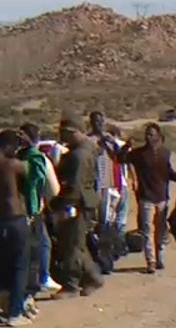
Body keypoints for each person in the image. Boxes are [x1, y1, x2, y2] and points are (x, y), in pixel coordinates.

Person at [120, 123, 176, 273]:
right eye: (147, 134)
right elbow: (121, 159)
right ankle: (151, 261)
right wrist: (126, 146)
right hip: (146, 197)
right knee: (147, 230)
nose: (148, 137)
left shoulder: (165, 154)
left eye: (151, 134)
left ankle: (160, 258)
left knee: (161, 230)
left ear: (158, 135)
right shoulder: (138, 154)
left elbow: (168, 173)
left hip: (162, 197)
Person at [0, 129, 33, 327]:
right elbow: (32, 169)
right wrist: (31, 145)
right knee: (19, 266)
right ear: (9, 145)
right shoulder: (12, 164)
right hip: (14, 217)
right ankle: (15, 312)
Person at [49, 116, 104, 297]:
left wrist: (65, 207)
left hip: (77, 203)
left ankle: (71, 284)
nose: (62, 136)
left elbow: (75, 185)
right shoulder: (81, 151)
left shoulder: (80, 155)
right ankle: (92, 277)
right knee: (77, 244)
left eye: (65, 133)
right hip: (82, 201)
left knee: (72, 244)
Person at [19, 123, 62, 295]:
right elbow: (53, 189)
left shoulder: (16, 156)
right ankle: (42, 277)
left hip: (14, 207)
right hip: (33, 207)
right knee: (43, 244)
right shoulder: (40, 158)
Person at [88, 111, 123, 225]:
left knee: (107, 216)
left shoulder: (108, 138)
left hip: (108, 183)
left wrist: (113, 143)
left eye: (101, 121)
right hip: (93, 183)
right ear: (91, 123)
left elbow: (118, 157)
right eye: (96, 121)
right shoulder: (88, 139)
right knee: (94, 215)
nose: (99, 124)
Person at [105, 123, 133, 233]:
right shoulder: (121, 145)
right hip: (119, 182)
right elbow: (127, 162)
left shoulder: (101, 144)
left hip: (108, 183)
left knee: (109, 213)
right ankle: (118, 237)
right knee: (121, 212)